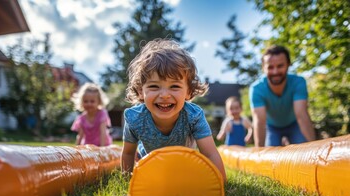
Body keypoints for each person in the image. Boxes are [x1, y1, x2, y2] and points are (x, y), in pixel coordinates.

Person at [121, 38, 226, 181]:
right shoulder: (135, 118)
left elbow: (210, 154)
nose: (164, 95)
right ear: (141, 91)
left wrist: (221, 183)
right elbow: (128, 153)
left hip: (184, 162)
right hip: (150, 161)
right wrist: (127, 180)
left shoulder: (193, 116)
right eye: (154, 86)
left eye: (175, 86)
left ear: (188, 91)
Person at [249, 45, 315, 147]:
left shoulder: (298, 82)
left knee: (304, 151)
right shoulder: (257, 89)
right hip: (272, 127)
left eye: (280, 66)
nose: (275, 72)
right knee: (271, 157)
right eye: (270, 67)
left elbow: (301, 115)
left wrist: (314, 147)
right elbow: (260, 122)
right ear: (263, 68)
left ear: (288, 65)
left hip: (295, 125)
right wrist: (259, 151)